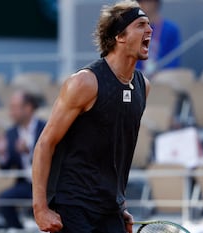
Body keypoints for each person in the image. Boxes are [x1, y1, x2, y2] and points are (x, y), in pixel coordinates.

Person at [31, 1, 151, 232]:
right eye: (141, 25)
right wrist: (40, 208)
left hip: (110, 209)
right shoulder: (85, 82)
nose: (150, 30)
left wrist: (119, 202)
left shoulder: (143, 87)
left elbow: (115, 149)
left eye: (149, 25)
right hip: (74, 207)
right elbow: (45, 143)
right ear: (120, 36)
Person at [0, 90, 45, 229]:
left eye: (14, 107)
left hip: (47, 183)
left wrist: (29, 152)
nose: (11, 112)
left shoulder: (45, 128)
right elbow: (5, 170)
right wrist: (2, 154)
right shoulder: (11, 133)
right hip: (26, 184)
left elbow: (52, 157)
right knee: (4, 198)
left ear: (28, 108)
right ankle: (17, 229)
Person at [136, 0, 181, 77]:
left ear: (155, 3)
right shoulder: (132, 29)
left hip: (163, 80)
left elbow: (173, 61)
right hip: (137, 79)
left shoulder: (170, 29)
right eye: (138, 1)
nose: (141, 5)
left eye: (145, 1)